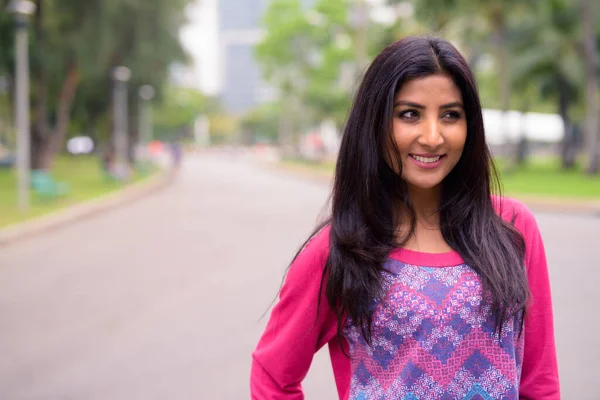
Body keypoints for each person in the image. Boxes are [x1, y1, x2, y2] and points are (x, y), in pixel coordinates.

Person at [250, 36, 560, 399]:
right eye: (409, 114)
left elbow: (538, 382)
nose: (432, 136)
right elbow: (273, 377)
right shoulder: (341, 250)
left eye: (450, 115)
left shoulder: (512, 227)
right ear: (376, 123)